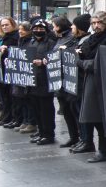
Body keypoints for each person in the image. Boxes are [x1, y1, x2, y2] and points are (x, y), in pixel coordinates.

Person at [77, 11, 106, 163]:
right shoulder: (92, 38)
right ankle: (105, 149)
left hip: (102, 81)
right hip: (92, 80)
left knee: (101, 117)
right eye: (93, 23)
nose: (96, 26)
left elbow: (97, 62)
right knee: (95, 117)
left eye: (99, 23)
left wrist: (81, 62)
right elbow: (85, 51)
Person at [51, 16, 81, 149]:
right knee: (67, 112)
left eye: (54, 25)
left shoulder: (70, 38)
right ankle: (73, 137)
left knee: (73, 111)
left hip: (69, 79)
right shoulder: (60, 38)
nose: (53, 28)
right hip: (60, 79)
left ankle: (80, 137)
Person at [27, 19, 58, 145]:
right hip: (33, 81)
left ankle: (48, 134)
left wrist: (43, 62)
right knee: (36, 109)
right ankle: (41, 132)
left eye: (41, 29)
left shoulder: (50, 43)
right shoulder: (32, 42)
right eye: (36, 28)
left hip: (45, 81)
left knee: (46, 110)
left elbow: (54, 58)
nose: (38, 31)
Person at [67, 14, 95, 153]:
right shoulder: (75, 40)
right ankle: (83, 139)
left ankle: (87, 140)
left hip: (81, 81)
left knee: (81, 112)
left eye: (74, 25)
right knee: (76, 110)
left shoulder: (85, 40)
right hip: (75, 81)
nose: (72, 27)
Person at [0, 18, 19, 126]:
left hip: (11, 70)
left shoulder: (16, 36)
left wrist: (7, 49)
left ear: (12, 24)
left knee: (9, 94)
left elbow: (19, 50)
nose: (4, 27)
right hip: (3, 68)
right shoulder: (5, 37)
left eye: (6, 25)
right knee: (4, 94)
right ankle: (5, 116)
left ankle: (9, 117)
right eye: (2, 26)